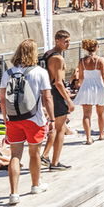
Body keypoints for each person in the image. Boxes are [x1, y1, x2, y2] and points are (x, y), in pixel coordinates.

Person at [0, 39, 55, 205]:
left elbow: (2, 98)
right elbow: (47, 97)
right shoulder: (39, 72)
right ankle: (35, 185)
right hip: (34, 119)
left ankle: (13, 193)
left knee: (15, 155)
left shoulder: (8, 73)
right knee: (34, 153)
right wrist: (51, 118)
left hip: (13, 119)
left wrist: (5, 117)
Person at [40, 30, 75, 169]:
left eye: (69, 41)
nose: (68, 44)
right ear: (57, 40)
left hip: (48, 92)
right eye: (65, 41)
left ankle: (46, 155)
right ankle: (54, 162)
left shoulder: (47, 54)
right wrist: (69, 100)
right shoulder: (58, 59)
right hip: (56, 94)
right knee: (60, 129)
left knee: (54, 127)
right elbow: (58, 82)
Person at [74, 38, 104, 143]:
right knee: (101, 113)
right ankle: (101, 134)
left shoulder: (82, 61)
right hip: (99, 87)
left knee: (86, 114)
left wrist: (82, 87)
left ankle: (88, 138)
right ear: (96, 47)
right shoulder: (100, 60)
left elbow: (81, 77)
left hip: (87, 87)